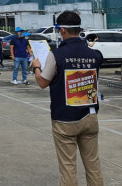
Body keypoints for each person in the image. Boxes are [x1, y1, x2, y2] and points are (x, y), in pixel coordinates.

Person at [32, 11, 103, 186]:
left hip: (65, 119)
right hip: (90, 116)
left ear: (62, 30)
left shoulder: (57, 54)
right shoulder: (95, 55)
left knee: (68, 167)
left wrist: (36, 68)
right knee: (93, 164)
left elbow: (43, 82)